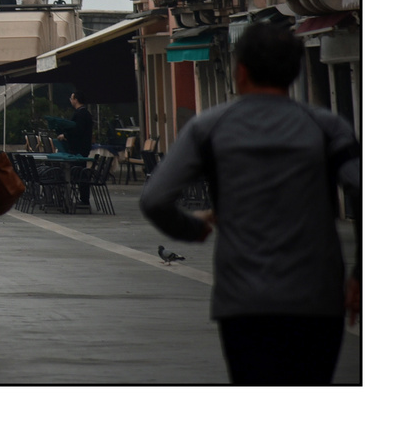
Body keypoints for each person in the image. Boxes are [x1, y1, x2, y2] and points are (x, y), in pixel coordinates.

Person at [140, 23, 360, 384]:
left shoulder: (208, 127)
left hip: (243, 300)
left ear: (240, 71)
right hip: (317, 299)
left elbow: (155, 199)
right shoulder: (326, 127)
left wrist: (195, 228)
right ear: (294, 72)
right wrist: (361, 274)